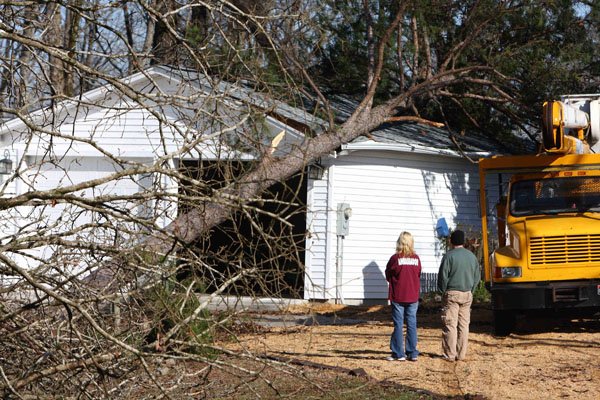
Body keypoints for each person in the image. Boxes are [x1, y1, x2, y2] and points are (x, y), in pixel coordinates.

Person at [437, 229, 481, 361]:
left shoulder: (449, 256)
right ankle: (461, 354)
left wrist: (442, 291)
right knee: (464, 325)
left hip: (452, 294)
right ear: (463, 241)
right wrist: (471, 291)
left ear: (452, 241)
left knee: (450, 324)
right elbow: (477, 277)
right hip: (467, 294)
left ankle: (450, 354)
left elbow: (443, 277)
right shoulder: (471, 257)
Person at [385, 231, 422, 362]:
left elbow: (388, 274)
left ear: (399, 242)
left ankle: (398, 353)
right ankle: (412, 352)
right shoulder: (416, 258)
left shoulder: (395, 259)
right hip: (413, 296)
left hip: (398, 296)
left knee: (398, 324)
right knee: (412, 323)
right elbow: (418, 274)